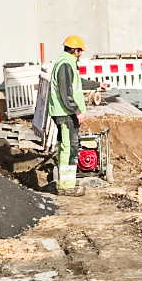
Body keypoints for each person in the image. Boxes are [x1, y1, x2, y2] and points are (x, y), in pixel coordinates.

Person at [48, 35, 87, 196]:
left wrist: (98, 85)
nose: (81, 54)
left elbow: (76, 84)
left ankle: (67, 182)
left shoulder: (67, 63)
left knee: (68, 147)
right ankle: (66, 187)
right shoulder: (65, 65)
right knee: (69, 148)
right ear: (74, 50)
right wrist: (76, 111)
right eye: (80, 51)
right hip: (66, 114)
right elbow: (66, 93)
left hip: (64, 112)